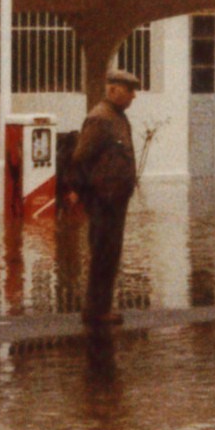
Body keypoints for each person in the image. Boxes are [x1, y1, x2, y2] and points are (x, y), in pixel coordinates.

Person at [72, 66, 142, 327]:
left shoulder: (118, 117)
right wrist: (88, 194)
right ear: (113, 90)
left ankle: (101, 306)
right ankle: (95, 310)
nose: (133, 96)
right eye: (129, 91)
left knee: (110, 252)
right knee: (102, 251)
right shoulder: (100, 118)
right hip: (104, 199)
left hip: (115, 199)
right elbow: (80, 157)